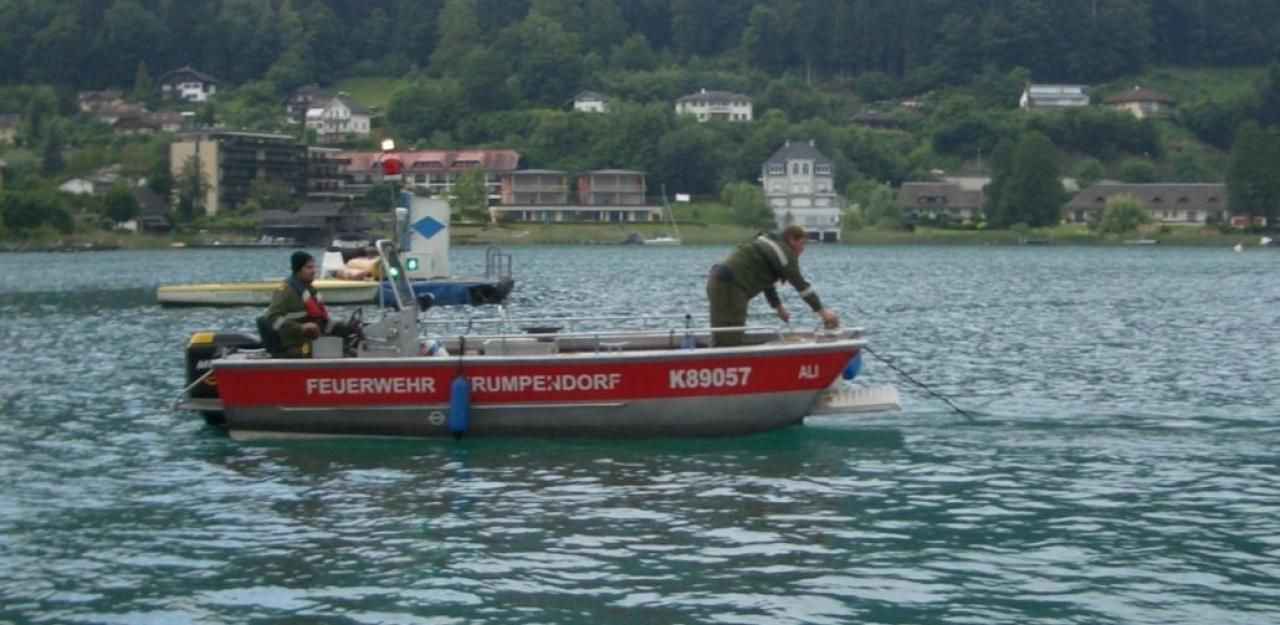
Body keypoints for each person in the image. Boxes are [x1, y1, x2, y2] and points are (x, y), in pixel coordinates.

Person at [706, 225, 839, 347]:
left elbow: (766, 280)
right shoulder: (786, 255)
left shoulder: (769, 244)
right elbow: (802, 287)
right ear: (791, 240)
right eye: (802, 243)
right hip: (730, 285)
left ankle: (712, 357)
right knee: (731, 335)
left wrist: (779, 307)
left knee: (721, 331)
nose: (803, 249)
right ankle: (724, 361)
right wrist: (823, 312)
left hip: (718, 279)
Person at [260, 250, 353, 358]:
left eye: (314, 267)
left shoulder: (309, 290)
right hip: (295, 344)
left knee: (348, 342)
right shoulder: (286, 291)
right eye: (309, 268)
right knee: (339, 351)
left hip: (311, 339)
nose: (313, 271)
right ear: (298, 270)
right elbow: (272, 317)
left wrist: (346, 328)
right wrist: (301, 327)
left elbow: (321, 321)